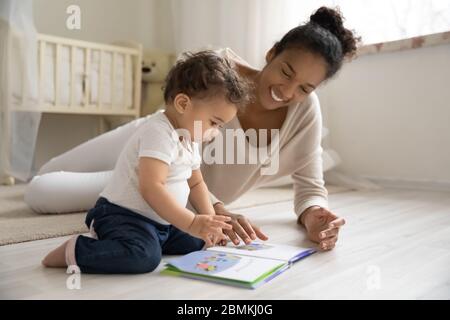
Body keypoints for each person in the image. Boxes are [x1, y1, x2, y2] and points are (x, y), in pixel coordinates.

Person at [27, 7, 360, 252]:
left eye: (305, 88)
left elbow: (309, 185)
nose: (288, 92)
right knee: (46, 178)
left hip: (171, 186)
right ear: (271, 54)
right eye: (286, 72)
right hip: (152, 146)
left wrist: (315, 213)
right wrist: (218, 208)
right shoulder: (217, 70)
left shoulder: (303, 114)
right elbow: (174, 110)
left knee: (46, 193)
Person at [41, 51, 251, 274]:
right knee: (143, 257)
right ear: (182, 103)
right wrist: (191, 223)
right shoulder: (158, 132)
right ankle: (76, 250)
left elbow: (197, 184)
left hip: (159, 222)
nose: (215, 132)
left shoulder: (189, 138)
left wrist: (210, 222)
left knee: (196, 241)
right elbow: (152, 187)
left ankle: (161, 238)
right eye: (214, 122)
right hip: (122, 216)